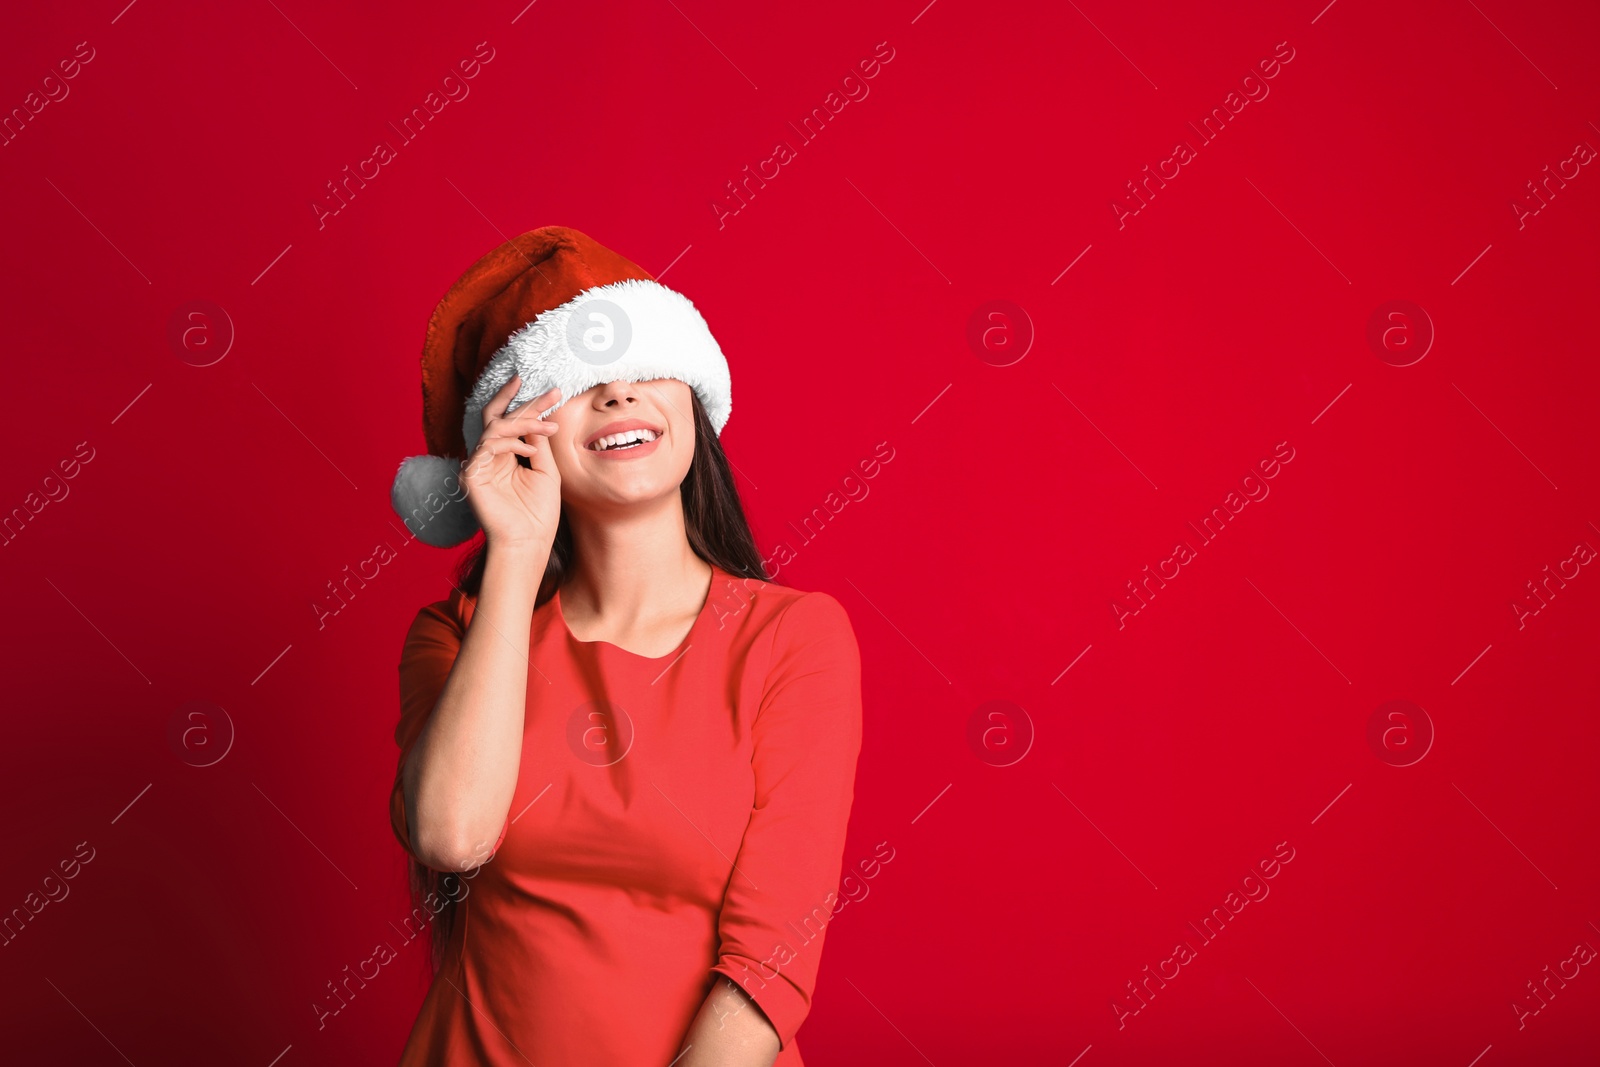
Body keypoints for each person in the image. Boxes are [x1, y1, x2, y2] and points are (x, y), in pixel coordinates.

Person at [385, 226, 863, 1066]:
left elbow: (769, 967)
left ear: (693, 403)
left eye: (648, 369)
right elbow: (450, 837)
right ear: (516, 431)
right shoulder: (456, 634)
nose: (618, 396)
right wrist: (519, 553)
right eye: (576, 383)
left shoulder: (792, 638)